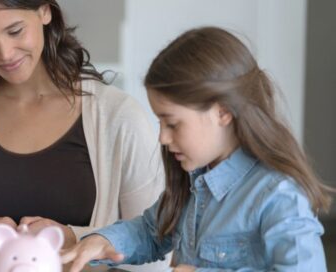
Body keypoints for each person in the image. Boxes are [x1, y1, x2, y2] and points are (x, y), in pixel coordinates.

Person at [62, 27, 334, 272]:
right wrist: (101, 242)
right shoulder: (193, 184)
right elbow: (148, 231)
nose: (163, 138)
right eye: (160, 123)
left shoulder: (278, 196)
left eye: (173, 124)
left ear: (223, 112)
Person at [0, 0, 164, 261]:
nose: (5, 53)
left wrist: (71, 235)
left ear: (44, 10)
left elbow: (155, 244)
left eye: (15, 31)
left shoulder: (119, 116)